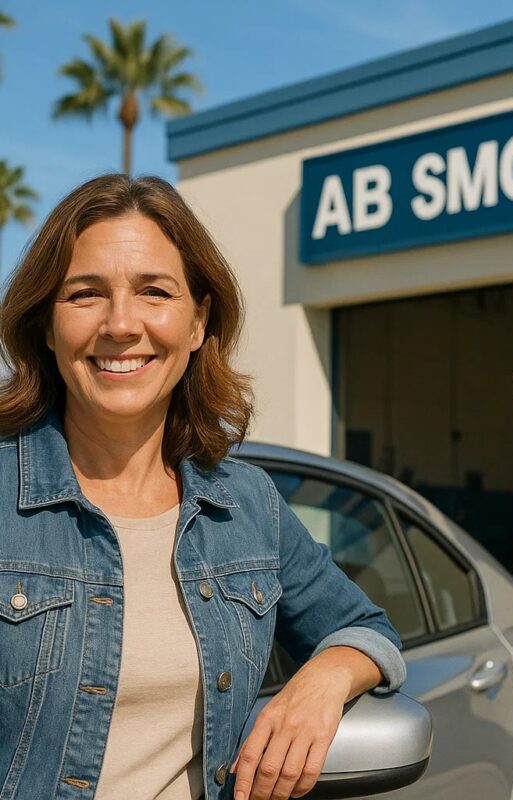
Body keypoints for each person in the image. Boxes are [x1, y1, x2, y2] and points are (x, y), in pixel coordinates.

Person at [0, 174, 405, 800]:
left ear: (197, 323)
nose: (121, 324)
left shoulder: (246, 506)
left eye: (154, 292)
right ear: (46, 327)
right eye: (84, 295)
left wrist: (320, 681)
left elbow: (367, 629)